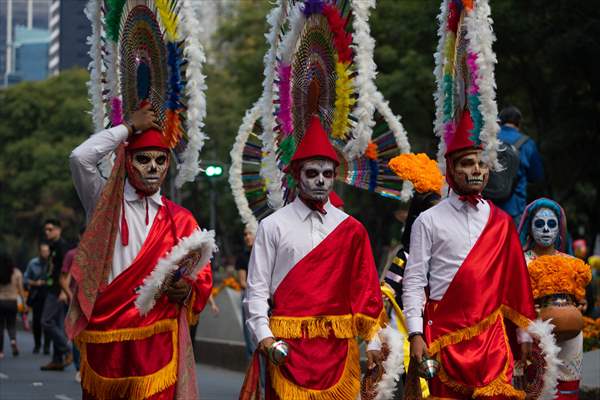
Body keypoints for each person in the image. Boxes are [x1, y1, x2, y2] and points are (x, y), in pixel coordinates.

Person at [67, 103, 214, 399]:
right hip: (106, 333)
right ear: (125, 159)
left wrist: (187, 290)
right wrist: (129, 127)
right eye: (143, 159)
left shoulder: (181, 219)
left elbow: (202, 272)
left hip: (157, 335)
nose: (152, 168)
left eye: (161, 161)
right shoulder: (104, 203)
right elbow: (79, 158)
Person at [243, 116, 385, 399]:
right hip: (287, 349)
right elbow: (256, 290)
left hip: (338, 350)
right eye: (312, 173)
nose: (320, 180)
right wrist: (265, 337)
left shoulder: (353, 229)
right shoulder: (272, 226)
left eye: (328, 173)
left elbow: (365, 291)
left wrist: (374, 341)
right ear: (297, 175)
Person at [402, 110, 539, 399]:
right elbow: (414, 280)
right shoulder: (428, 220)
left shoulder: (501, 222)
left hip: (493, 338)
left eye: (482, 163)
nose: (477, 170)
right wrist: (415, 333)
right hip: (443, 335)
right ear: (451, 168)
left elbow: (516, 283)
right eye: (468, 163)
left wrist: (525, 335)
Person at [518, 198, 592, 399]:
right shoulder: (520, 262)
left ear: (559, 229)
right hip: (533, 335)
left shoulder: (572, 263)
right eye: (539, 224)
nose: (545, 229)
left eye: (551, 224)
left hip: (571, 335)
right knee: (537, 386)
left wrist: (581, 304)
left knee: (568, 385)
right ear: (530, 228)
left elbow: (581, 298)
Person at [496, 106, 544, 223]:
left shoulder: (489, 139)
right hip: (515, 208)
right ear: (519, 123)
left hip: (488, 207)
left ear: (500, 121)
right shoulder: (527, 144)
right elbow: (536, 176)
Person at [40, 218, 73, 371]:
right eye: (46, 229)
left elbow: (68, 269)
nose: (47, 232)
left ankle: (67, 351)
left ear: (58, 230)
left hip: (57, 291)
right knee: (57, 323)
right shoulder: (53, 246)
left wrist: (64, 291)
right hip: (52, 288)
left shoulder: (62, 246)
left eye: (50, 229)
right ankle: (57, 360)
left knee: (46, 321)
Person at [60, 227, 84, 382]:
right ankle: (78, 367)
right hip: (76, 301)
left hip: (95, 300)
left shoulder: (101, 253)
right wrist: (70, 296)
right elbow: (63, 279)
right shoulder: (72, 254)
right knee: (77, 334)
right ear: (80, 236)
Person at [24, 242, 51, 354]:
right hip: (37, 295)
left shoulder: (52, 264)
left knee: (48, 321)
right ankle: (37, 344)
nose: (45, 253)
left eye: (47, 251)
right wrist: (35, 283)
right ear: (39, 252)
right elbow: (25, 279)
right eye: (43, 251)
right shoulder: (33, 263)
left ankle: (47, 346)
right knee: (37, 321)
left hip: (49, 295)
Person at [0, 250, 27, 358]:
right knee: (11, 324)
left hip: (0, 302)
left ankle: (0, 351)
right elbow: (21, 290)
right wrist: (24, 304)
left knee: (0, 326)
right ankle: (12, 340)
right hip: (12, 302)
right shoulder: (17, 273)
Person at [236, 228, 255, 359]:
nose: (247, 237)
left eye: (250, 233)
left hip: (267, 299)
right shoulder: (242, 256)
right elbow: (242, 282)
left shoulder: (265, 253)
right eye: (245, 234)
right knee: (250, 334)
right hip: (250, 297)